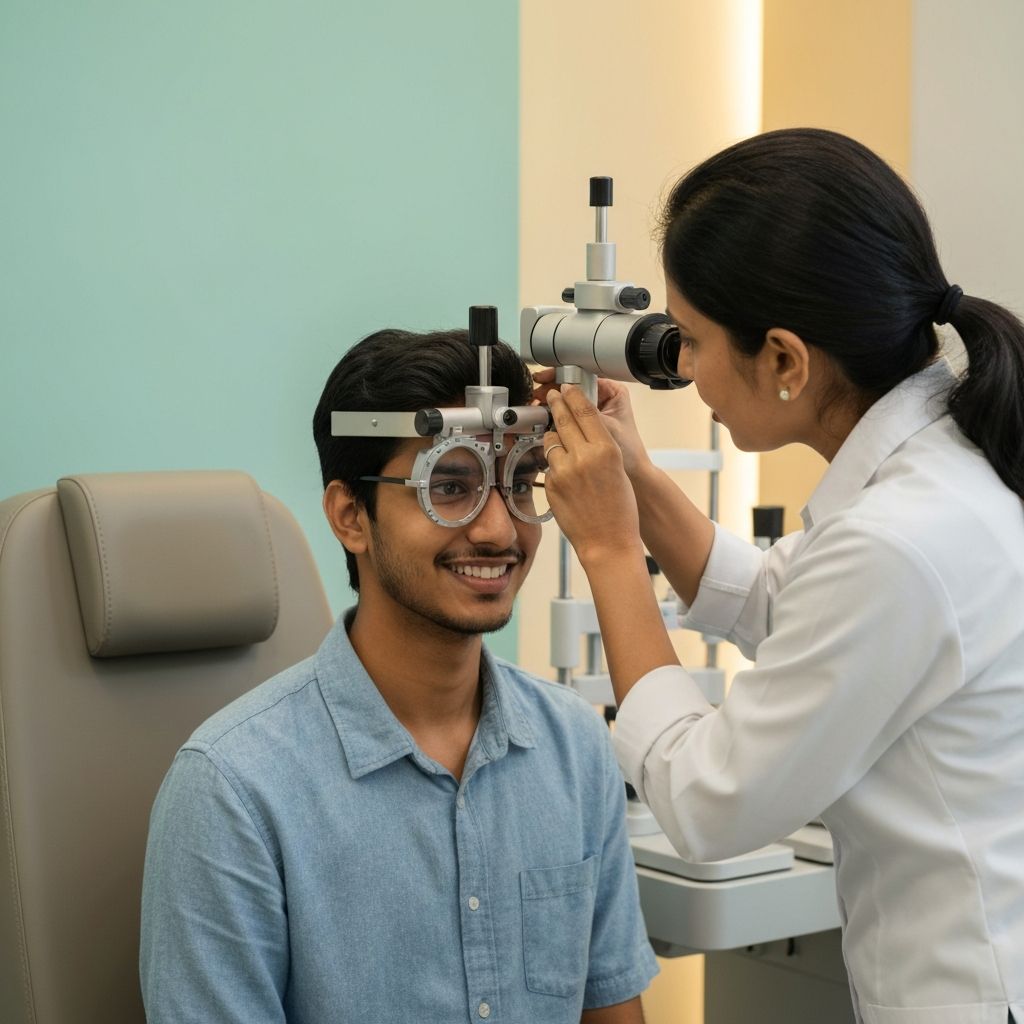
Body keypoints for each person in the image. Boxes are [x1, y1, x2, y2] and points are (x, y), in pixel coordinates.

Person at [539, 128, 1024, 1023]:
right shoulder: (940, 470)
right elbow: (781, 599)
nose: (684, 372)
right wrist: (637, 478)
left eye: (689, 341)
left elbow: (708, 800)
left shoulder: (899, 540)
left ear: (787, 361)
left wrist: (608, 550)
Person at [140, 327, 657, 1023]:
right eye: (450, 484)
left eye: (521, 481)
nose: (500, 532)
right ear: (351, 516)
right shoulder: (234, 790)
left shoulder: (575, 749)